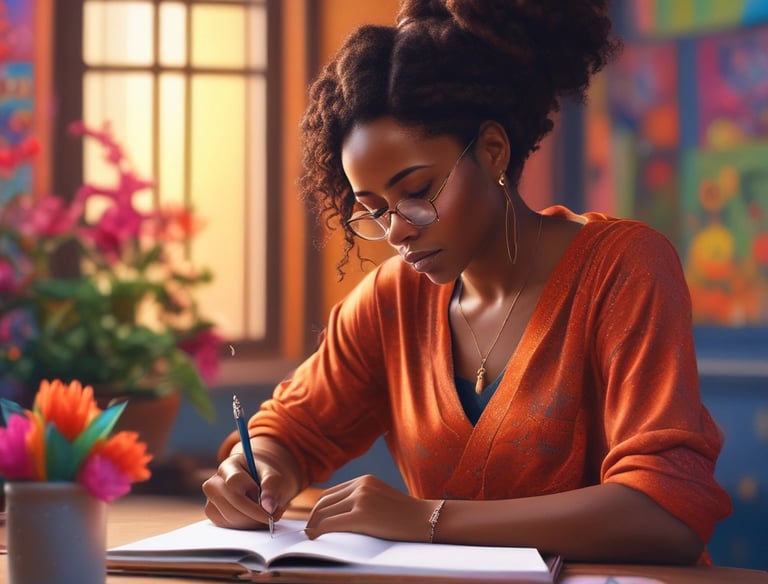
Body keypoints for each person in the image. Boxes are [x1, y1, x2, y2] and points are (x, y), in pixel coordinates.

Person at [203, 0, 732, 565]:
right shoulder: (393, 301)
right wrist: (257, 467)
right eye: (374, 209)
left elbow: (665, 516)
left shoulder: (622, 269)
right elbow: (292, 428)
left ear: (493, 150)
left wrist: (427, 518)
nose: (397, 230)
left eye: (419, 191)